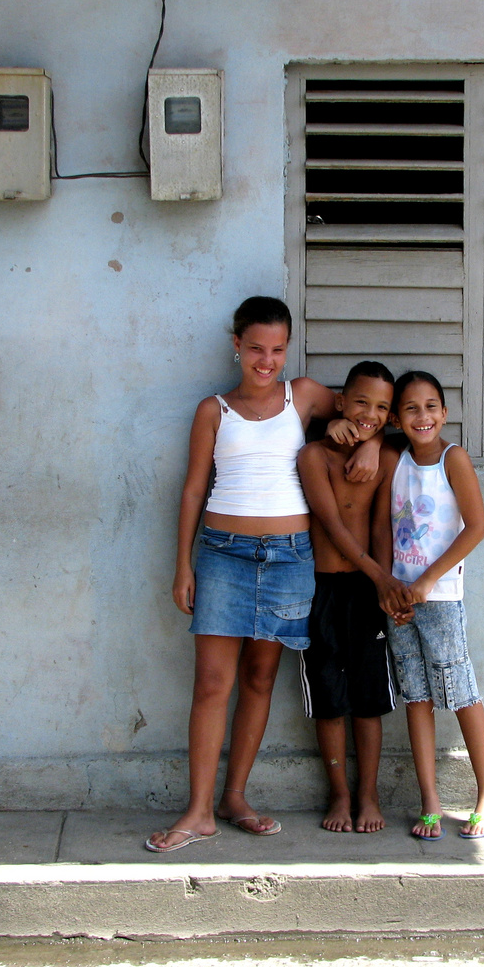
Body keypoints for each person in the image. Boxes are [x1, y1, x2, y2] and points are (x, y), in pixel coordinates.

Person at [146, 296, 379, 853]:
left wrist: (367, 439)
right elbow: (193, 490)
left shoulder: (303, 396)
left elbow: (369, 411)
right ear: (236, 346)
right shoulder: (213, 411)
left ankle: (235, 798)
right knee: (211, 685)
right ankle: (199, 810)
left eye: (277, 349)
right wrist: (183, 564)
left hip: (289, 558)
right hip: (223, 555)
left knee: (258, 681)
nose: (266, 360)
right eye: (256, 348)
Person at [375, 370, 484, 841]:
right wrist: (389, 586)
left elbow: (476, 527)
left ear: (444, 413)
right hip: (400, 600)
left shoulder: (454, 459)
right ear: (396, 418)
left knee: (460, 689)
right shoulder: (396, 461)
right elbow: (387, 526)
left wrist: (429, 579)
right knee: (417, 695)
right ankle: (429, 800)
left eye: (431, 407)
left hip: (440, 597)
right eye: (410, 409)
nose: (422, 416)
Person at [295, 361, 408, 834]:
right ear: (340, 403)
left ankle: (368, 793)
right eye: (362, 402)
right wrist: (380, 578)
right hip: (319, 588)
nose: (371, 413)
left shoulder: (385, 458)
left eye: (383, 408)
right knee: (327, 695)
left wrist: (384, 584)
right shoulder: (312, 457)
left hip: (367, 590)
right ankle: (339, 793)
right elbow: (332, 525)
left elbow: (381, 524)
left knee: (368, 697)